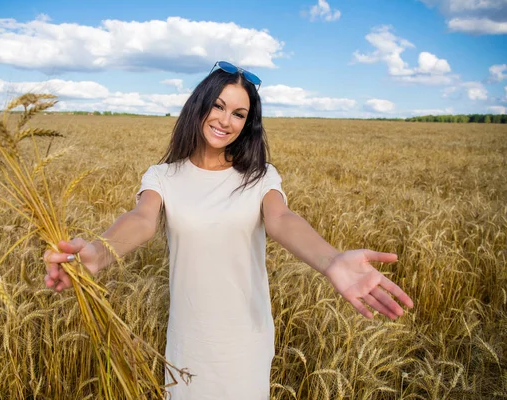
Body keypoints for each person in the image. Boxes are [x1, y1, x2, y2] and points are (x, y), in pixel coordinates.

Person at [44, 61, 414, 399]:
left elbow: (282, 219)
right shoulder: (163, 176)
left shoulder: (260, 177)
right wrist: (96, 252)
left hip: (246, 341)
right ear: (199, 105)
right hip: (190, 340)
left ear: (247, 123)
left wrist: (332, 260)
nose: (225, 120)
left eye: (239, 113)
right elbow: (141, 220)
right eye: (218, 106)